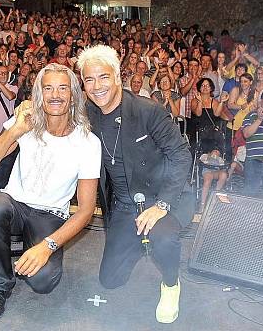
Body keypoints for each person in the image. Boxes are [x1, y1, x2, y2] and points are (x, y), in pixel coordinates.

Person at [0, 63, 100, 322]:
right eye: (48, 88)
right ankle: (0, 283)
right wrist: (16, 131)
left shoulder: (88, 142)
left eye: (63, 88)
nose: (55, 95)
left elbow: (86, 210)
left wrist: (47, 246)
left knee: (43, 282)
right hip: (14, 204)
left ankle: (32, 249)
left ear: (74, 95)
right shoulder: (25, 122)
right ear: (39, 94)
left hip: (50, 214)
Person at [78, 45, 193, 324]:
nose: (97, 86)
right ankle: (140, 244)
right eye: (89, 79)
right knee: (110, 280)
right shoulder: (87, 113)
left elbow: (181, 154)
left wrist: (162, 205)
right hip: (123, 205)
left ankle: (170, 283)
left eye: (103, 77)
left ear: (118, 77)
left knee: (164, 238)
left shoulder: (147, 111)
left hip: (161, 198)